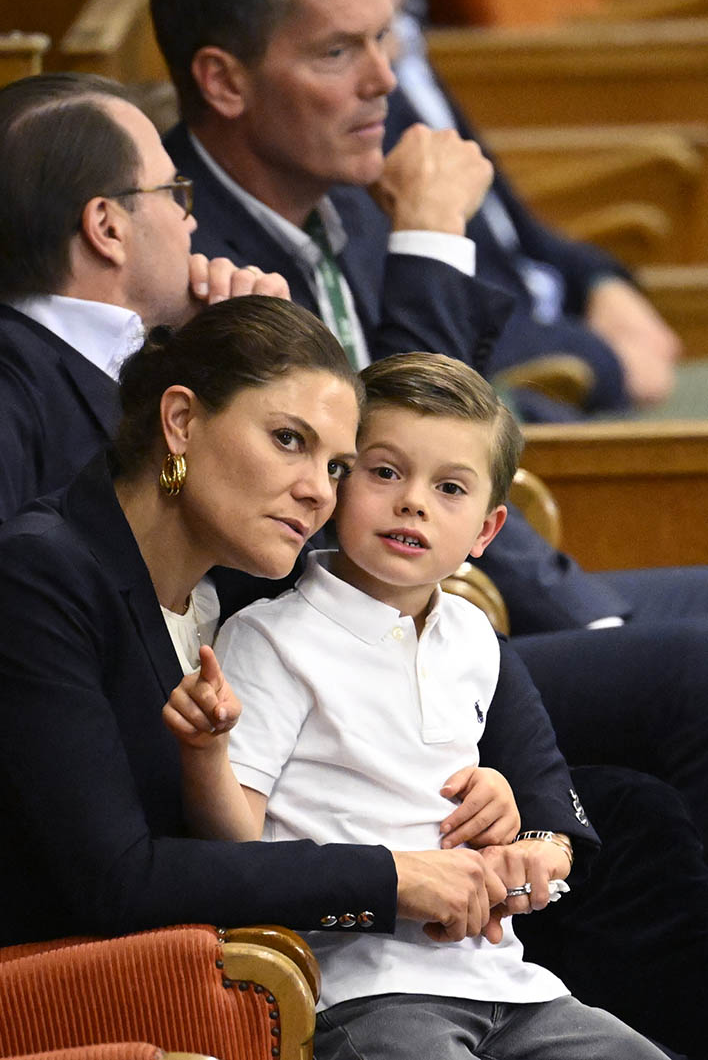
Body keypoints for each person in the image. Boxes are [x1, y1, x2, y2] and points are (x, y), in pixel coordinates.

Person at [148, 0, 708, 848]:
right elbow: (393, 457)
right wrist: (435, 240)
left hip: (463, 595)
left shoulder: (352, 200)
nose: (385, 80)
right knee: (694, 670)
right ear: (223, 80)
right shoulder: (196, 260)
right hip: (354, 643)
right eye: (337, 52)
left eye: (385, 38)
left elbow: (458, 436)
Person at [0, 296, 531, 962]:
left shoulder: (246, 573)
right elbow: (116, 881)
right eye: (289, 440)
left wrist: (503, 793)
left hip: (240, 968)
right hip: (70, 994)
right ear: (182, 421)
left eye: (338, 466)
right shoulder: (39, 579)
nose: (320, 492)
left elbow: (435, 652)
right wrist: (391, 875)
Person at [165, 351, 665, 1060]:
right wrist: (206, 752)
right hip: (364, 988)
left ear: (487, 532)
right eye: (385, 471)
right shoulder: (271, 638)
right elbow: (234, 840)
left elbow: (523, 801)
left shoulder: (472, 637)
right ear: (337, 479)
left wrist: (521, 846)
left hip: (507, 978)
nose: (413, 502)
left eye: (450, 487)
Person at [0, 72, 289, 712]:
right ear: (107, 225)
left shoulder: (158, 358)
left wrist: (259, 364)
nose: (191, 220)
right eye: (174, 192)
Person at [384, 0, 686, 420]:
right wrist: (607, 360)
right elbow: (422, 304)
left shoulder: (405, 37)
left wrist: (598, 283)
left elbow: (509, 226)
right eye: (346, 47)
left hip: (561, 331)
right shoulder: (367, 87)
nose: (372, 65)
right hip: (529, 381)